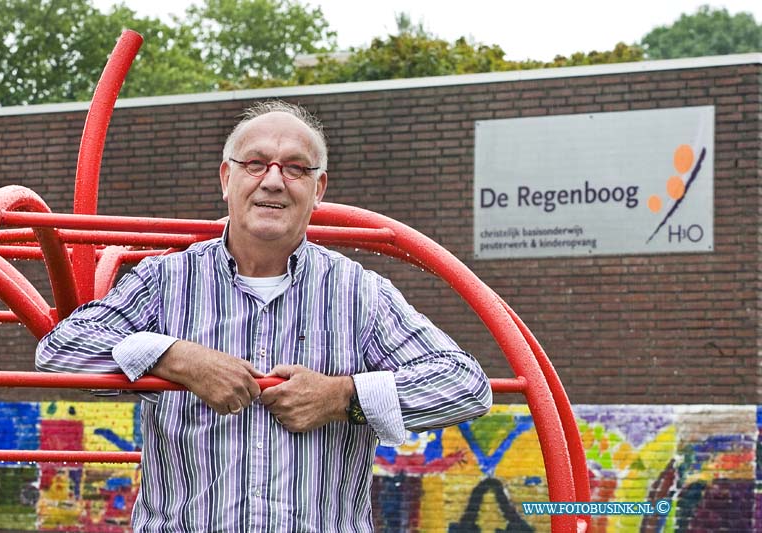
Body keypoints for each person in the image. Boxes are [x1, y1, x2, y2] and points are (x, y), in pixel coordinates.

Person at [36, 100, 493, 532]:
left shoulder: (360, 293)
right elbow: (59, 350)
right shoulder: (164, 281)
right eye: (255, 164)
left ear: (318, 189)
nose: (273, 181)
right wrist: (172, 357)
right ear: (226, 179)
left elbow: (465, 385)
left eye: (295, 168)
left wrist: (342, 396)